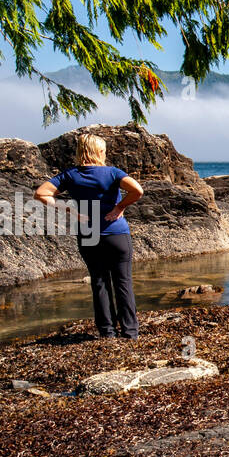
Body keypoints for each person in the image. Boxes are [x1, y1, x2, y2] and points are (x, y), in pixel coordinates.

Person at [35, 134, 145, 339]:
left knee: (100, 282)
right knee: (123, 282)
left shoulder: (71, 175)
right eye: (103, 150)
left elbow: (41, 193)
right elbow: (137, 190)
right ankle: (130, 333)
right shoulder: (112, 173)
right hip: (116, 232)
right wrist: (120, 207)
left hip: (88, 233)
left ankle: (107, 333)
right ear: (99, 152)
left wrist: (68, 209)